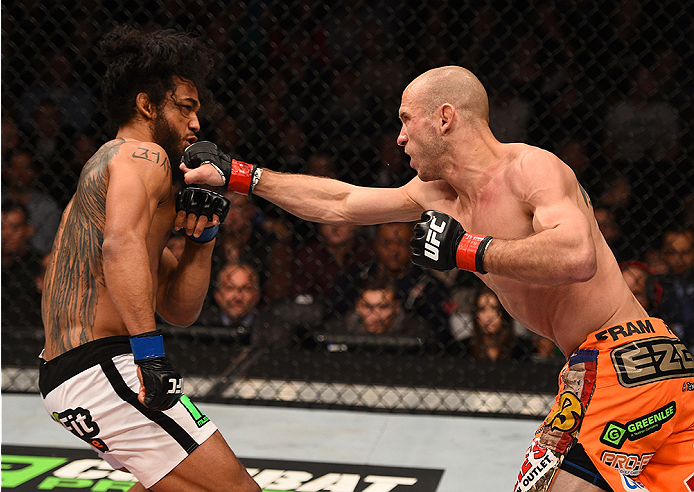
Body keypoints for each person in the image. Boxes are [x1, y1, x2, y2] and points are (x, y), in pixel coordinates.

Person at [182, 65, 693, 492]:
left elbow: (577, 253)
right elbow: (340, 202)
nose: (399, 136)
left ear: (444, 117)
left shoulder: (529, 168)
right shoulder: (434, 194)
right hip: (609, 365)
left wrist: (466, 250)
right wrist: (240, 175)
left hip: (623, 358)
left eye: (406, 120)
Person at [38, 27, 259, 492]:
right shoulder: (146, 156)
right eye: (185, 106)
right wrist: (150, 355)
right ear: (146, 105)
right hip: (102, 365)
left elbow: (179, 308)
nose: (197, 122)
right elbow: (120, 247)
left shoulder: (113, 171)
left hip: (73, 373)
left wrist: (204, 237)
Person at [319, 271, 432, 353]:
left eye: (383, 307)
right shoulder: (336, 330)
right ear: (358, 306)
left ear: (396, 306)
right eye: (368, 307)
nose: (376, 316)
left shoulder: (416, 331)